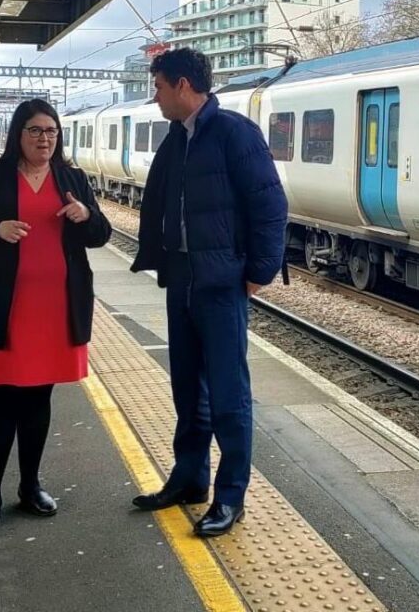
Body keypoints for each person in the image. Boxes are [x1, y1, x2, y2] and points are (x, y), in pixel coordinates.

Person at [131, 48, 288, 537]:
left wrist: (259, 270)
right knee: (186, 389)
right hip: (183, 281)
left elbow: (270, 205)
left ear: (182, 85)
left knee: (228, 396)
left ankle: (230, 497)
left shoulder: (235, 134)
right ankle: (190, 479)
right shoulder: (176, 139)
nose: (154, 97)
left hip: (221, 286)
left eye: (158, 87)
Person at [0, 98, 111, 532]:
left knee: (39, 399)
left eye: (52, 132)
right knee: (2, 400)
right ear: (18, 134)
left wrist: (85, 214)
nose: (45, 139)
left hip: (55, 307)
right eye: (36, 131)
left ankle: (30, 486)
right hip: (4, 307)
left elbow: (100, 236)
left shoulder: (71, 178)